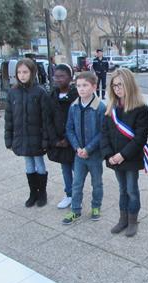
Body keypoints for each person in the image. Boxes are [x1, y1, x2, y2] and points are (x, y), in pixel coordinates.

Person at [100, 68, 148, 237]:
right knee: (122, 190)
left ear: (129, 84)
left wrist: (122, 155)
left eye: (121, 85)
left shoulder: (141, 109)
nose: (117, 89)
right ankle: (123, 219)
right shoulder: (111, 108)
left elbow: (140, 137)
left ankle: (133, 220)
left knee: (131, 190)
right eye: (114, 86)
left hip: (130, 158)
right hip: (114, 158)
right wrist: (108, 155)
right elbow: (104, 133)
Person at [5, 59, 50, 208]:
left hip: (36, 137)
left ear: (32, 73)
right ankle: (33, 193)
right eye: (19, 72)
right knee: (29, 165)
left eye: (25, 72)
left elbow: (45, 118)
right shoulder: (13, 92)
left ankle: (42, 193)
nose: (22, 75)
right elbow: (9, 118)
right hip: (22, 136)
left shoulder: (40, 91)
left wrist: (45, 139)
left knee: (39, 164)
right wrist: (9, 139)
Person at [63, 72, 106, 225]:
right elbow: (69, 129)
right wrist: (77, 148)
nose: (81, 89)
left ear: (94, 87)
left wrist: (88, 148)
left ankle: (96, 207)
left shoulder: (100, 107)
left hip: (94, 155)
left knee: (97, 183)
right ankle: (75, 210)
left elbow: (103, 132)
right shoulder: (74, 106)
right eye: (79, 85)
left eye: (85, 85)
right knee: (77, 183)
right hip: (79, 155)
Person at [45, 64, 79, 209]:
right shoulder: (51, 95)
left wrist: (68, 138)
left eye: (62, 76)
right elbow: (48, 119)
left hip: (73, 141)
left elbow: (77, 120)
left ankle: (78, 194)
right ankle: (69, 194)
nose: (58, 79)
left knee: (77, 170)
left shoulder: (76, 95)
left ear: (70, 78)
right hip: (59, 141)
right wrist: (55, 140)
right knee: (65, 168)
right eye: (56, 76)